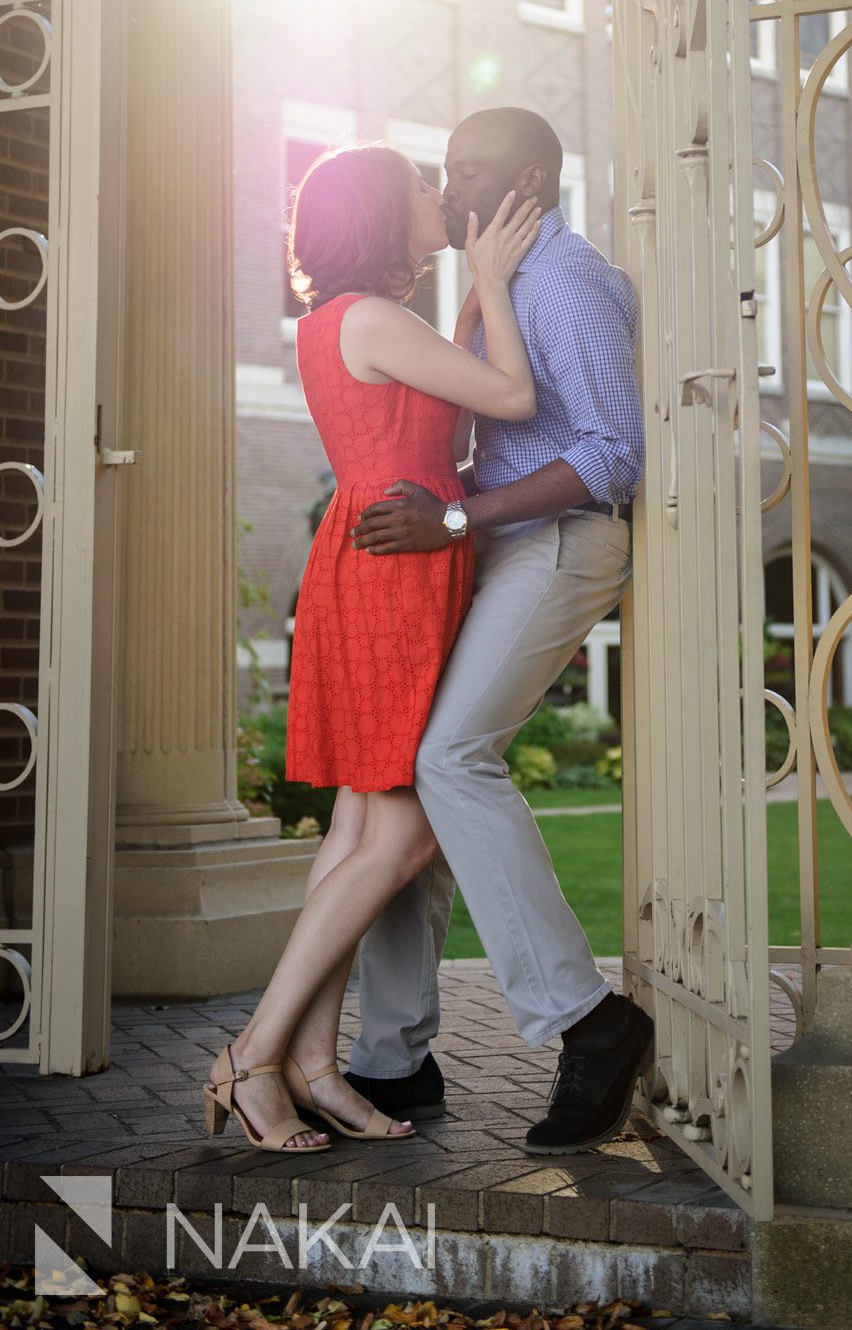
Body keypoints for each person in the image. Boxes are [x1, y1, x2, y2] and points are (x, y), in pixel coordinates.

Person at [204, 143, 541, 1152]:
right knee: (402, 835)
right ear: (380, 217)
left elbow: (433, 398)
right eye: (421, 189)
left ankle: (309, 1064)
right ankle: (251, 1055)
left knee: (356, 832)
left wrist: (471, 307)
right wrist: (488, 281)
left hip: (372, 563)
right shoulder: (374, 319)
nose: (440, 197)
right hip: (396, 572)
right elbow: (512, 399)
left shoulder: (340, 321)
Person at [347, 107, 653, 1155]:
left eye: (471, 169)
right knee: (403, 769)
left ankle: (589, 1020)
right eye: (445, 168)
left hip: (558, 538)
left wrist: (456, 516)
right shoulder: (494, 277)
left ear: (531, 176)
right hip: (486, 535)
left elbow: (614, 451)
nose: (451, 184)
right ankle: (393, 1056)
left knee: (451, 756)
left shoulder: (562, 279)